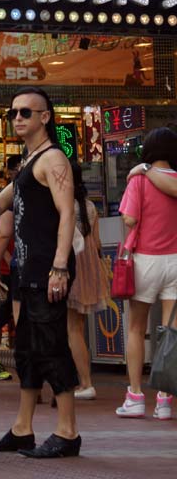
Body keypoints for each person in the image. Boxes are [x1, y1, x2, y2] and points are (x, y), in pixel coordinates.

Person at [0, 86, 80, 459]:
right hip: (27, 272)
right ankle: (23, 428)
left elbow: (67, 213)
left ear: (45, 118)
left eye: (26, 112)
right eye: (14, 113)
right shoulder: (29, 161)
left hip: (46, 270)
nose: (18, 118)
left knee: (52, 347)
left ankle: (68, 432)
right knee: (26, 350)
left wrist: (59, 266)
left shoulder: (53, 160)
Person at [115, 127, 177, 420]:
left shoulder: (139, 179)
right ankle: (164, 400)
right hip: (175, 262)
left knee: (137, 328)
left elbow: (129, 218)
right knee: (171, 333)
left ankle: (135, 396)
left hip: (144, 261)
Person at [66, 162, 111, 401]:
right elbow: (98, 243)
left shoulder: (63, 205)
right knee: (78, 329)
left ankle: (84, 382)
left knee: (70, 329)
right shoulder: (90, 206)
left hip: (69, 265)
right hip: (89, 267)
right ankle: (83, 381)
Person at [0, 155, 22, 381]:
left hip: (21, 268)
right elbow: (1, 234)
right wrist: (2, 262)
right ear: (8, 172)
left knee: (21, 318)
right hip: (8, 270)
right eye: (17, 168)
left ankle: (24, 360)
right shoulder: (1, 198)